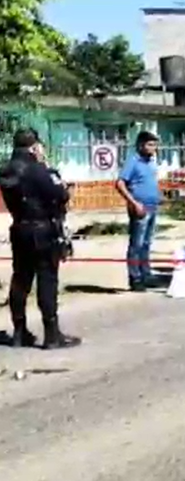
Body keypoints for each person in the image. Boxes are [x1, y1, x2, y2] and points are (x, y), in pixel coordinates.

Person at [0, 129, 81, 349]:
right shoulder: (38, 170)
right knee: (47, 279)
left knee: (21, 280)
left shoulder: (7, 171)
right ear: (34, 147)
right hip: (43, 230)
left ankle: (19, 332)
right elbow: (61, 195)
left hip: (19, 229)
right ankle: (52, 335)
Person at [115, 131, 161, 292]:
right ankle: (135, 277)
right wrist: (134, 203)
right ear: (141, 145)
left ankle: (146, 274)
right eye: (149, 144)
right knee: (137, 244)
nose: (153, 148)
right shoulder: (133, 161)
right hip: (140, 208)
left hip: (152, 206)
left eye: (155, 145)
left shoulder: (151, 162)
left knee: (147, 244)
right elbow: (120, 183)